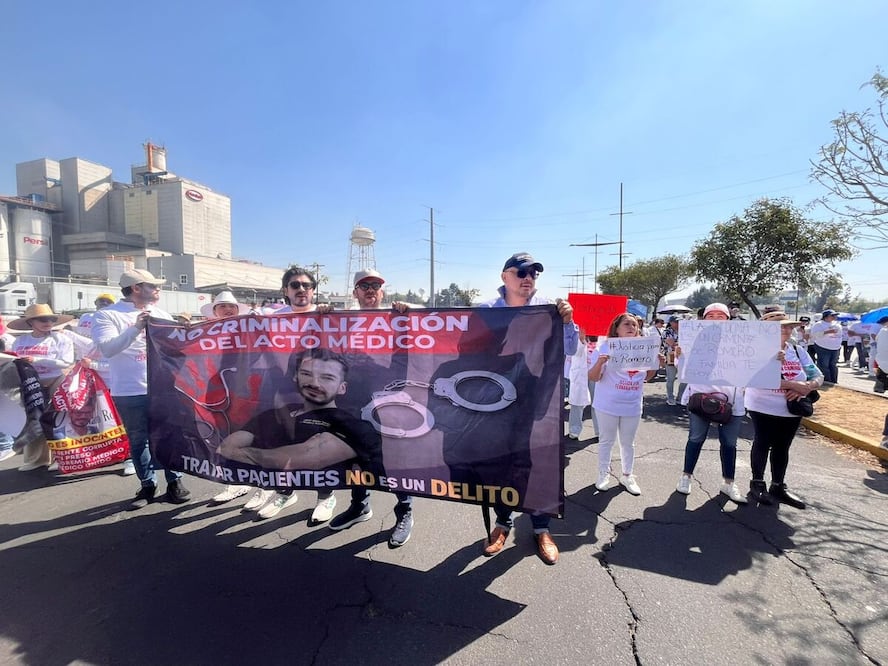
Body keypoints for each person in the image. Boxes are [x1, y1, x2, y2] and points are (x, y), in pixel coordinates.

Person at [479, 252, 578, 566]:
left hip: (539, 401)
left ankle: (541, 527)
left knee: (540, 463)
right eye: (521, 272)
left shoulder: (550, 309)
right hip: (496, 403)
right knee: (502, 464)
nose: (528, 278)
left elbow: (572, 349)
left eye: (534, 273)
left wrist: (569, 322)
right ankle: (502, 523)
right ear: (504, 276)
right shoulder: (486, 310)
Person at [219, 349, 382, 518]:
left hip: (331, 476)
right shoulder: (273, 414)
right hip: (283, 475)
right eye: (306, 374)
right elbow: (225, 448)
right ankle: (284, 494)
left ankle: (326, 499)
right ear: (296, 377)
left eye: (327, 377)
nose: (315, 383)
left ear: (342, 387)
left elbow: (293, 460)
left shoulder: (354, 426)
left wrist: (256, 453)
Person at [238, 267, 338, 522]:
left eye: (306, 285)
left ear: (313, 290)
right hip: (281, 388)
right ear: (286, 290)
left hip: (317, 389)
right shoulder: (272, 318)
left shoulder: (327, 315)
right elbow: (230, 329)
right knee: (279, 442)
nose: (301, 289)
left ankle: (326, 497)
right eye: (295, 285)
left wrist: (330, 317)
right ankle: (285, 492)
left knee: (318, 443)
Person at [329, 269, 416, 547]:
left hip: (386, 399)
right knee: (355, 456)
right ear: (354, 292)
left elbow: (430, 334)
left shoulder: (397, 318)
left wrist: (410, 313)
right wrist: (321, 315)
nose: (370, 290)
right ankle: (359, 506)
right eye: (363, 286)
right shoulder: (341, 322)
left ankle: (405, 512)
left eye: (375, 286)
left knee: (393, 460)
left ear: (383, 291)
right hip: (351, 400)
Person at [92, 269, 191, 508]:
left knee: (168, 435)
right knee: (139, 440)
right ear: (136, 288)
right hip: (128, 389)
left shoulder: (160, 313)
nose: (158, 289)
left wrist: (184, 333)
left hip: (163, 388)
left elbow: (174, 352)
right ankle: (148, 484)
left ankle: (175, 481)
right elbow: (107, 349)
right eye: (153, 285)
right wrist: (136, 328)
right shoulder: (107, 315)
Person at [745, 310, 823, 509]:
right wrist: (792, 385)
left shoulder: (797, 350)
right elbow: (751, 378)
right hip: (763, 406)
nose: (787, 330)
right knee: (762, 443)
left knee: (783, 447)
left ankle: (778, 485)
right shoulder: (754, 350)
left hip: (791, 408)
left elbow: (817, 374)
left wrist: (808, 386)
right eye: (782, 327)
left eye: (789, 326)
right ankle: (757, 483)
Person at [674, 303, 747, 504]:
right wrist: (680, 356)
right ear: (704, 319)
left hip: (732, 402)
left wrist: (774, 360)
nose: (715, 318)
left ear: (728, 319)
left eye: (720, 315)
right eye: (710, 315)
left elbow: (752, 368)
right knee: (696, 439)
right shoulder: (693, 339)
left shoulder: (741, 342)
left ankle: (729, 483)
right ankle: (685, 477)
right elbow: (683, 371)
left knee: (730, 443)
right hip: (702, 399)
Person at [9, 304, 94, 471]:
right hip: (30, 382)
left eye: (51, 319)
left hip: (57, 380)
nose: (48, 322)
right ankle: (36, 459)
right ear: (31, 322)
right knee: (32, 419)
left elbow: (66, 362)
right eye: (42, 319)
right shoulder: (19, 341)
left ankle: (62, 457)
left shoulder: (61, 339)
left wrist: (36, 360)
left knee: (59, 419)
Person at [590, 313, 662, 496]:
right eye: (626, 324)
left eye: (634, 325)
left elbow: (646, 377)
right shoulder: (605, 347)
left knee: (628, 443)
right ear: (617, 328)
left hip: (631, 404)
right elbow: (593, 377)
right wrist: (600, 362)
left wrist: (656, 364)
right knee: (606, 440)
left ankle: (627, 475)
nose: (631, 327)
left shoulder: (643, 349)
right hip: (607, 404)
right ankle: (602, 474)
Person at [199, 291, 254, 506]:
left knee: (249, 434)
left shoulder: (249, 328)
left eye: (231, 306)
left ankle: (261, 484)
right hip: (216, 389)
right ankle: (235, 482)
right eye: (222, 306)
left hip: (245, 388)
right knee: (223, 434)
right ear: (214, 311)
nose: (228, 310)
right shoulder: (204, 332)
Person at [73, 293, 134, 475]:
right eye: (100, 302)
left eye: (107, 302)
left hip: (115, 382)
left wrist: (92, 364)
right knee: (100, 421)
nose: (103, 304)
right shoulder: (87, 320)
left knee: (124, 420)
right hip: (92, 382)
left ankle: (129, 456)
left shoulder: (117, 324)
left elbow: (117, 358)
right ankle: (108, 453)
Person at [567, 328, 593, 440]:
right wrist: (581, 339)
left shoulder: (604, 334)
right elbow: (574, 352)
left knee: (598, 402)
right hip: (580, 371)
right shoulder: (577, 329)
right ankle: (574, 429)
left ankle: (599, 431)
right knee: (577, 403)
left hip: (598, 371)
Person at [810, 309, 842, 384]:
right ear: (826, 317)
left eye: (835, 315)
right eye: (832, 315)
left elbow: (840, 335)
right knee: (824, 364)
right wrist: (826, 332)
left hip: (835, 348)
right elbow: (813, 335)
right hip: (823, 347)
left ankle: (834, 381)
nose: (834, 317)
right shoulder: (819, 324)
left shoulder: (837, 325)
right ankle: (826, 381)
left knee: (833, 365)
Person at [662, 316, 680, 404]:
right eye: (676, 322)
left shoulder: (684, 331)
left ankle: (680, 397)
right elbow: (671, 343)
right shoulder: (666, 332)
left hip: (682, 357)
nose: (677, 323)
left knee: (684, 379)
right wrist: (679, 344)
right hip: (670, 357)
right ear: (671, 322)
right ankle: (670, 397)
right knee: (671, 378)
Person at [874, 316, 888, 393]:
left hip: (881, 360)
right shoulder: (882, 331)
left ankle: (879, 388)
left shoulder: (882, 331)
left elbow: (876, 339)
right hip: (883, 359)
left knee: (881, 375)